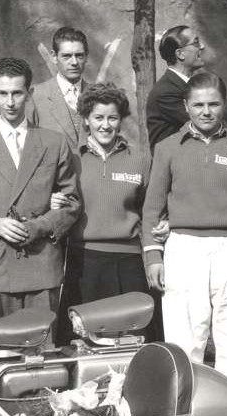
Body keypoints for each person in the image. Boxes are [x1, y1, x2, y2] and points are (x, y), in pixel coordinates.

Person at [142, 72, 227, 395]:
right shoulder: (168, 148)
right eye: (198, 104)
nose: (206, 111)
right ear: (186, 107)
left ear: (223, 105)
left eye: (213, 104)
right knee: (185, 340)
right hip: (184, 249)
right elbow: (152, 208)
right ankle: (187, 413)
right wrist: (153, 257)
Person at [0, 57, 81, 321]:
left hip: (41, 263)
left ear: (30, 93)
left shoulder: (54, 143)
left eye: (17, 93)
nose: (10, 102)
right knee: (3, 353)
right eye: (2, 93)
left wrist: (38, 226)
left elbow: (71, 202)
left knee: (44, 352)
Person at [64, 83, 159, 335]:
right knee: (87, 337)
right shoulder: (71, 160)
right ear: (86, 120)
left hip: (129, 263)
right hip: (84, 263)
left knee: (133, 337)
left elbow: (150, 213)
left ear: (120, 120)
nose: (105, 125)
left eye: (112, 118)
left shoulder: (139, 160)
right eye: (98, 118)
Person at [145, 24, 227, 150]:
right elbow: (209, 124)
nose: (202, 46)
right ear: (180, 54)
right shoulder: (166, 92)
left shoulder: (183, 85)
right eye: (196, 43)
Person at [28, 26, 90, 151]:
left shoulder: (99, 95)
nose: (74, 62)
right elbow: (27, 148)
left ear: (86, 57)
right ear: (54, 56)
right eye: (66, 56)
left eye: (79, 56)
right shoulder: (35, 96)